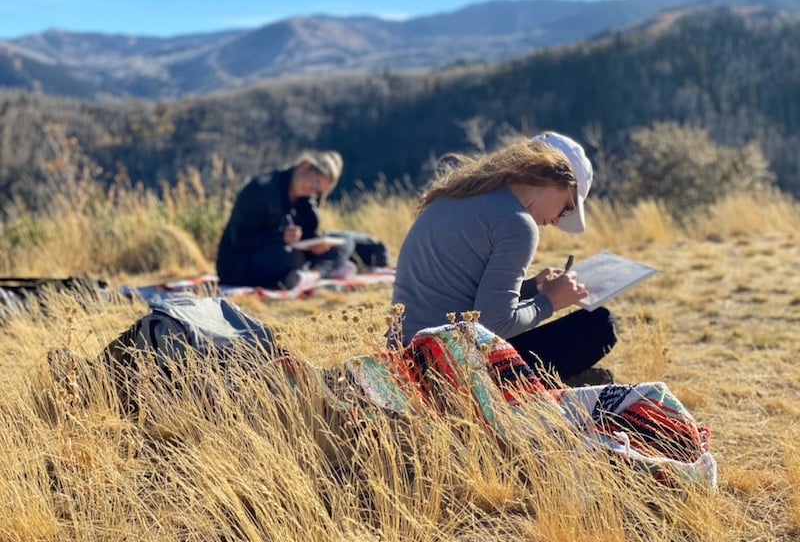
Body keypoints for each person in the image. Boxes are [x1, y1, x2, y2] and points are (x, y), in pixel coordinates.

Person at [390, 132, 618, 386]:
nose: (556, 221)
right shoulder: (517, 223)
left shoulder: (454, 196)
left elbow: (464, 297)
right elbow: (494, 325)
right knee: (598, 325)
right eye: (566, 208)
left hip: (406, 357)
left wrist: (533, 288)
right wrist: (549, 301)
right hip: (452, 371)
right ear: (557, 181)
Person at [216, 150, 359, 289]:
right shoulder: (261, 190)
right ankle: (323, 270)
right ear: (304, 165)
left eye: (318, 191)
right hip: (240, 266)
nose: (313, 191)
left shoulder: (305, 199)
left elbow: (308, 233)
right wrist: (279, 236)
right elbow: (240, 240)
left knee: (345, 241)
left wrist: (314, 244)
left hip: (286, 253)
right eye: (315, 183)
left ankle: (313, 275)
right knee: (292, 256)